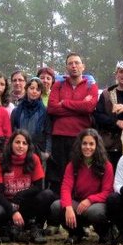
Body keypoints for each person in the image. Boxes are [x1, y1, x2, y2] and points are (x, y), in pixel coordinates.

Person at [0, 130, 57, 244]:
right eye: (17, 142)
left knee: (47, 195)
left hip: (25, 202)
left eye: (24, 143)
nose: (20, 146)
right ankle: (6, 228)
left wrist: (21, 194)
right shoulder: (0, 161)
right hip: (7, 202)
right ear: (11, 144)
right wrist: (13, 211)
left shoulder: (34, 159)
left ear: (29, 146)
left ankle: (36, 227)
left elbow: (39, 187)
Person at [48, 128, 114, 245]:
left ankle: (105, 233)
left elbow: (107, 191)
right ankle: (76, 232)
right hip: (78, 204)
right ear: (80, 145)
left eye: (91, 144)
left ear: (97, 146)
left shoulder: (106, 165)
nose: (87, 147)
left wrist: (90, 200)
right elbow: (66, 188)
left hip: (96, 204)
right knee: (57, 206)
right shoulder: (73, 165)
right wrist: (68, 207)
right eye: (84, 143)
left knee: (95, 212)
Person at [46, 53, 99, 193]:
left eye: (77, 63)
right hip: (60, 137)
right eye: (70, 63)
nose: (74, 66)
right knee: (60, 174)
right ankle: (60, 206)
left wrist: (64, 103)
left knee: (79, 172)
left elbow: (89, 107)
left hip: (81, 137)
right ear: (66, 67)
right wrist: (79, 107)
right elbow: (51, 108)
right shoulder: (58, 85)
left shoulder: (90, 86)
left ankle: (77, 206)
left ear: (83, 66)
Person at [11, 77, 52, 161]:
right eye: (32, 88)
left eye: (37, 89)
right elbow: (12, 130)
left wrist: (47, 152)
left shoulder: (45, 111)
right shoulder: (17, 111)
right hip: (19, 150)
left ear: (41, 92)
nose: (34, 91)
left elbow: (48, 133)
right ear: (26, 89)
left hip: (38, 152)